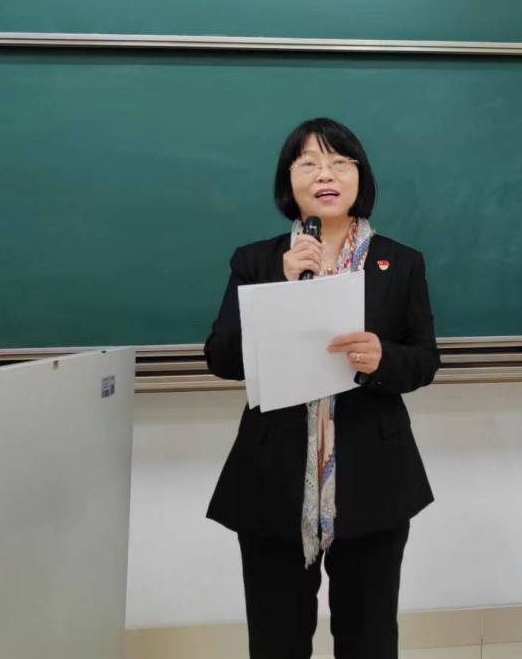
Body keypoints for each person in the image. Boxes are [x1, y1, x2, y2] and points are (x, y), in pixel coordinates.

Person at [204, 117, 440, 659]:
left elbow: (425, 361)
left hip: (374, 478)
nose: (324, 174)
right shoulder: (256, 261)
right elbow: (221, 359)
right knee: (277, 640)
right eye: (308, 163)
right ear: (289, 182)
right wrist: (279, 284)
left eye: (339, 162)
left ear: (360, 176)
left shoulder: (401, 262)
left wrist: (383, 358)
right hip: (274, 479)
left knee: (368, 638)